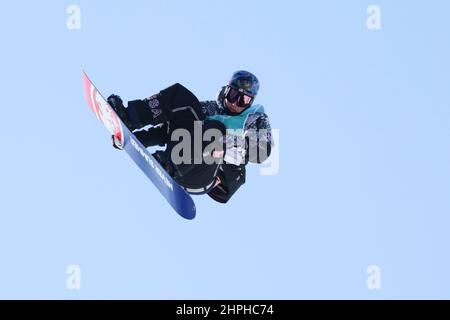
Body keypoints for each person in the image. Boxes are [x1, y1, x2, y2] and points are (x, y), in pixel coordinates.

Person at [108, 71, 272, 203]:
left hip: (202, 175)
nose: (235, 103)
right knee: (180, 96)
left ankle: (171, 165)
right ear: (225, 91)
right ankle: (130, 117)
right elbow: (169, 130)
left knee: (215, 129)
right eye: (233, 95)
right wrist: (132, 139)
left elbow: (263, 152)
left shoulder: (255, 119)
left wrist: (232, 143)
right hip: (177, 154)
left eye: (243, 100)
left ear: (250, 103)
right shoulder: (209, 109)